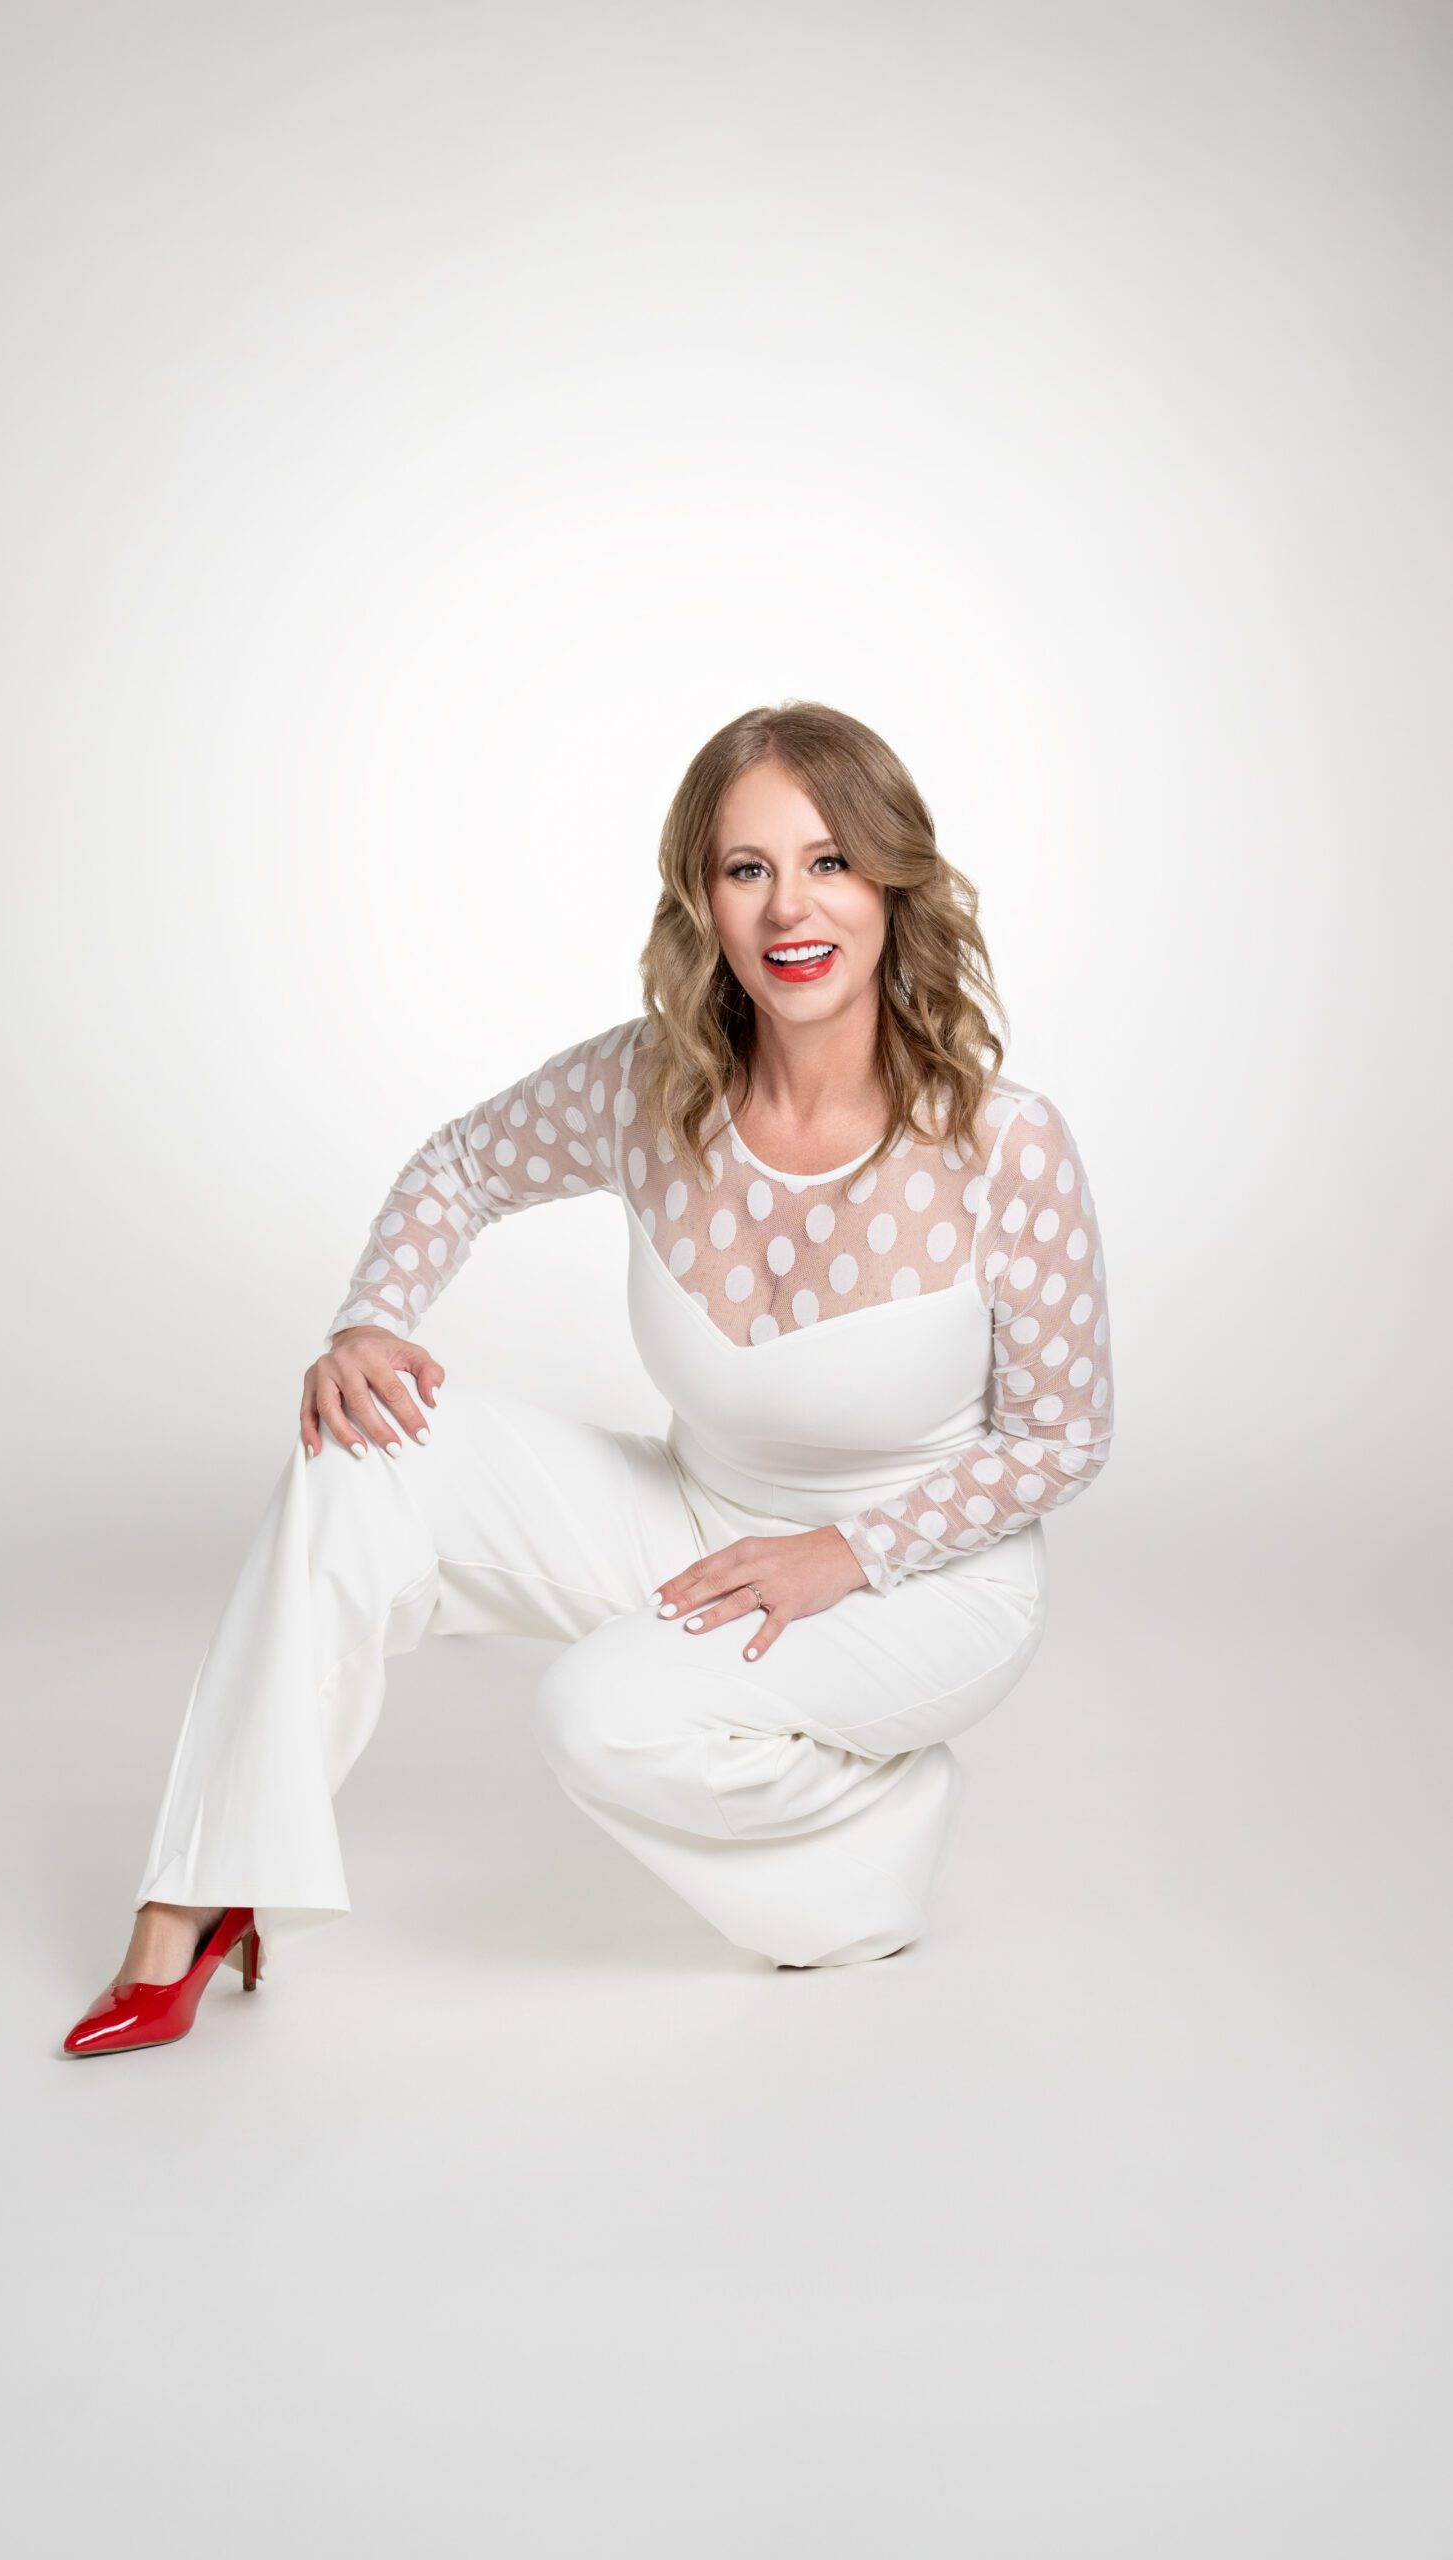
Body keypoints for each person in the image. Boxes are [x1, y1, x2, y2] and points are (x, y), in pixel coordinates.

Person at [62, 701, 1115, 2056]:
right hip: (696, 1522)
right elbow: (461, 1163)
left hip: (924, 1579)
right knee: (362, 1450)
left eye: (829, 861)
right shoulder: (651, 1090)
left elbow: (1061, 1440)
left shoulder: (1003, 1146)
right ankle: (196, 1896)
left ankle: (876, 1832)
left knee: (599, 1716)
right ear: (705, 902)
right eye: (748, 869)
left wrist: (845, 1551)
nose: (790, 907)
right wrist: (371, 1315)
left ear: (892, 884)